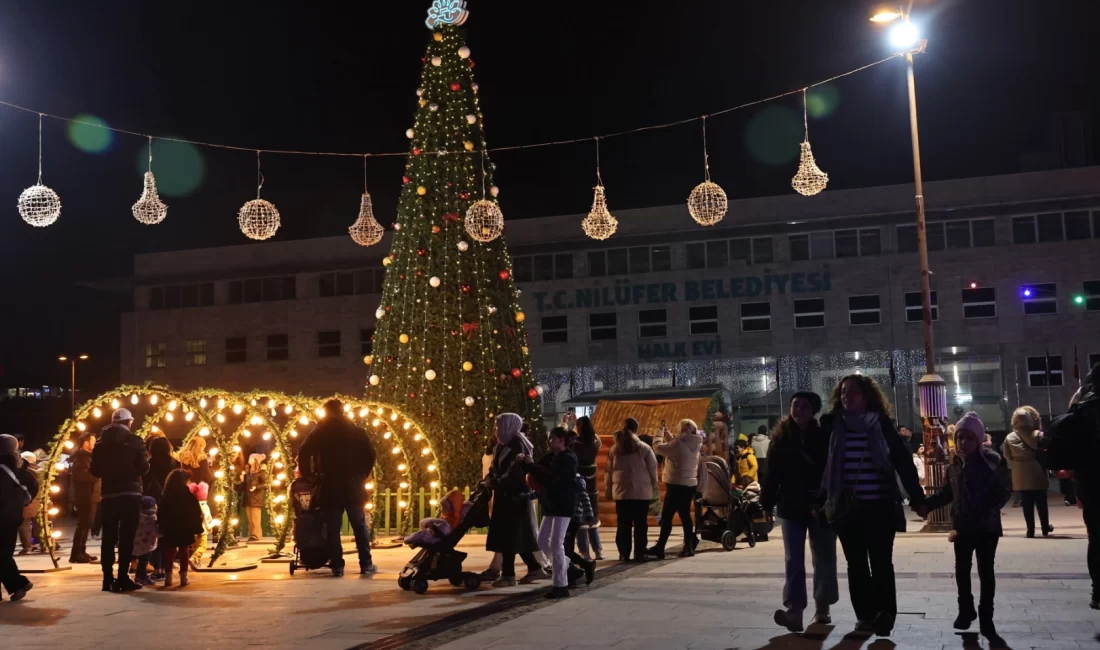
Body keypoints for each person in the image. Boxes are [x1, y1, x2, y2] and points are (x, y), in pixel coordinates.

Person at [820, 375, 925, 637]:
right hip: (846, 508)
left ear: (866, 396)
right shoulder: (833, 426)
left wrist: (917, 497)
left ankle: (885, 614)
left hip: (879, 506)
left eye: (853, 392)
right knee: (855, 564)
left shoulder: (883, 426)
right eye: (843, 392)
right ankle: (865, 616)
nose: (847, 396)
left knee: (880, 562)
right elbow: (818, 466)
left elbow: (903, 463)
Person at [916, 414, 1010, 647]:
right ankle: (966, 610)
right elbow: (949, 492)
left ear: (978, 439)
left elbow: (1004, 491)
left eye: (968, 438)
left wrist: (983, 509)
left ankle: (986, 616)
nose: (963, 443)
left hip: (986, 527)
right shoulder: (955, 464)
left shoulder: (992, 461)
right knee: (962, 570)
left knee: (986, 571)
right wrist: (928, 504)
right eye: (959, 438)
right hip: (962, 526)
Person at [763, 391, 838, 632]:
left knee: (824, 558)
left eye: (804, 406)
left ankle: (823, 608)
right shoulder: (781, 437)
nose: (798, 410)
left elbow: (834, 469)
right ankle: (795, 611)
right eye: (795, 405)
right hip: (791, 506)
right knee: (793, 559)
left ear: (813, 410)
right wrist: (766, 504)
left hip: (821, 506)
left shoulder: (824, 436)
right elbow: (771, 474)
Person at [297, 399, 378, 576]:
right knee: (359, 525)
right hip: (353, 485)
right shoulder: (356, 431)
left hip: (329, 485)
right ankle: (365, 563)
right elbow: (371, 455)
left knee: (333, 528)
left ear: (326, 412)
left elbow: (303, 453)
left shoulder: (320, 432)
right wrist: (361, 475)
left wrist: (310, 476)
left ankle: (337, 566)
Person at [91, 408, 150, 593]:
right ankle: (123, 577)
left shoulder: (100, 444)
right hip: (130, 493)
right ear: (128, 422)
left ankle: (107, 579)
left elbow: (95, 470)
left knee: (108, 538)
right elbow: (144, 468)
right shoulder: (135, 441)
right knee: (127, 537)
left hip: (109, 494)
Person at [483, 413, 545, 587]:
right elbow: (496, 468)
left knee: (510, 536)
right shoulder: (502, 445)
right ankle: (533, 568)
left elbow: (515, 473)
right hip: (505, 497)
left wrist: (495, 482)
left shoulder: (518, 446)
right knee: (513, 537)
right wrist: (488, 480)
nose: (496, 430)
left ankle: (509, 575)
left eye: (498, 426)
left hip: (515, 497)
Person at [524, 427, 579, 599]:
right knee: (541, 540)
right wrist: (528, 465)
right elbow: (539, 471)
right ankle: (568, 567)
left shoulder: (568, 459)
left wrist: (532, 466)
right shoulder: (551, 457)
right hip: (550, 504)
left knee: (556, 543)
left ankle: (560, 585)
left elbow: (554, 479)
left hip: (563, 504)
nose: (548, 442)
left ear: (561, 440)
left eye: (551, 439)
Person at [1068, 363, 1100, 610]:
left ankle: (1098, 591)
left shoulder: (1080, 409)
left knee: (1096, 536)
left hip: (1088, 482)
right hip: (1089, 480)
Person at [648, 419, 703, 559]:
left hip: (676, 484)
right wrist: (668, 435)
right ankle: (689, 545)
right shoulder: (695, 443)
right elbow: (678, 448)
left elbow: (658, 447)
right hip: (689, 484)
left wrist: (659, 433)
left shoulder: (678, 443)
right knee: (685, 515)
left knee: (667, 517)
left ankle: (660, 547)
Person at [605, 418, 658, 562]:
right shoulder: (644, 448)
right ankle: (639, 553)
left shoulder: (615, 449)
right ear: (636, 430)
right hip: (641, 493)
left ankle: (624, 554)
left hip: (622, 493)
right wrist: (652, 487)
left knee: (623, 525)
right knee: (641, 525)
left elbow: (609, 472)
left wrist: (609, 490)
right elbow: (653, 470)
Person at [1002, 406, 1053, 538]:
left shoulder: (1010, 437)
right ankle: (1045, 528)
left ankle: (1030, 530)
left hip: (1020, 475)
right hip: (1037, 473)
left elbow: (1007, 455)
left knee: (1027, 504)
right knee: (1042, 503)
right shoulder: (1038, 435)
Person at [0, 434, 37, 602]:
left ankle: (18, 583)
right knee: (4, 553)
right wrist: (21, 502)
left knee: (2, 555)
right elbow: (33, 485)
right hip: (12, 516)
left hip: (3, 515)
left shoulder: (3, 467)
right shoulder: (18, 466)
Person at [158, 468, 205, 588]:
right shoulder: (188, 495)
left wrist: (161, 526)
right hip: (184, 526)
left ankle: (168, 577)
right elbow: (195, 512)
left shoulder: (166, 495)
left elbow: (161, 512)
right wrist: (197, 527)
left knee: (170, 551)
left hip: (170, 527)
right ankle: (183, 577)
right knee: (184, 551)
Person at [142, 436, 178, 581]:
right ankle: (167, 567)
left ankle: (158, 568)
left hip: (154, 501)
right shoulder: (174, 463)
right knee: (168, 535)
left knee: (155, 535)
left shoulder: (149, 464)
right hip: (171, 501)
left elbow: (144, 482)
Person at [572, 416, 604, 561]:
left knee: (581, 521)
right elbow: (597, 438)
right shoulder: (595, 443)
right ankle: (598, 551)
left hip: (579, 484)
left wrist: (570, 425)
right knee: (592, 519)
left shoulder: (575, 445)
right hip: (593, 487)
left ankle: (585, 553)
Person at [68, 432, 101, 564]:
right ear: (86, 443)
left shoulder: (88, 457)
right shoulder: (81, 458)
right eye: (93, 441)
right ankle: (76, 553)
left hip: (91, 495)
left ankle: (82, 550)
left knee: (87, 524)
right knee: (83, 524)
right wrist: (98, 476)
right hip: (84, 495)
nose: (95, 443)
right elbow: (83, 476)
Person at [132, 496, 160, 586]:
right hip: (148, 544)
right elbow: (156, 532)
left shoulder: (137, 517)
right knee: (144, 562)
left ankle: (138, 576)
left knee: (141, 561)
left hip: (138, 543)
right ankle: (142, 577)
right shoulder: (153, 518)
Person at [244, 454, 267, 541]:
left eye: (251, 458)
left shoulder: (261, 472)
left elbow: (265, 483)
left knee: (255, 517)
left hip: (256, 497)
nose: (249, 459)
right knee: (250, 518)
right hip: (248, 497)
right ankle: (251, 534)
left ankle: (256, 535)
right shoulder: (248, 472)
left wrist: (256, 487)